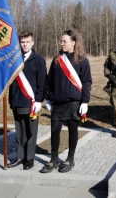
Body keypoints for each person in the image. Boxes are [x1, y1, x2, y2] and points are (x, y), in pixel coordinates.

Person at [41, 29, 92, 174]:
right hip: (57, 102)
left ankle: (70, 158)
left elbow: (87, 82)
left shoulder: (82, 60)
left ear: (73, 43)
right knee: (55, 131)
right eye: (61, 41)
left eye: (65, 41)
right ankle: (54, 158)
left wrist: (85, 102)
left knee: (72, 130)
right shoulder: (57, 59)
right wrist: (48, 98)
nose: (61, 43)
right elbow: (49, 80)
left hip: (73, 102)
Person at [7, 31, 47, 170]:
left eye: (27, 42)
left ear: (32, 42)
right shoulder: (15, 59)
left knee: (30, 132)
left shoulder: (39, 60)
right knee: (19, 131)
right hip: (16, 100)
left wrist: (38, 100)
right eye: (22, 42)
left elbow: (42, 82)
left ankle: (29, 158)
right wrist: (11, 99)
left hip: (30, 103)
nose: (24, 45)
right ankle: (19, 156)